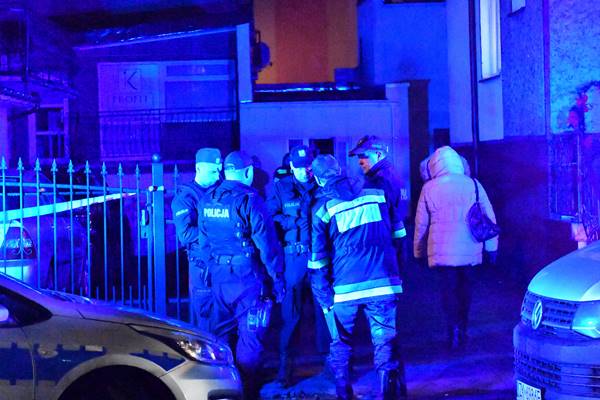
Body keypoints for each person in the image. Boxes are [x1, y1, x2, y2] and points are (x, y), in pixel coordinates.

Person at [308, 154, 406, 400]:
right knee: (384, 340)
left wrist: (325, 299)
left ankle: (344, 393)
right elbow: (399, 234)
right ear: (340, 169)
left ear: (319, 180)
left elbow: (318, 261)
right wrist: (396, 272)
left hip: (345, 288)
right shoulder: (377, 192)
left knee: (340, 343)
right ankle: (388, 394)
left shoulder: (322, 209)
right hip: (383, 281)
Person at [197, 150, 285, 399]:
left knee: (221, 337)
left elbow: (204, 245)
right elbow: (267, 245)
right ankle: (246, 390)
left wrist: (210, 272)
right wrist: (277, 279)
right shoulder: (249, 199)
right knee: (251, 338)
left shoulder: (208, 199)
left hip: (219, 278)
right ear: (247, 172)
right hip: (247, 279)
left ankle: (222, 389)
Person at [413, 146, 499, 349]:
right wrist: (492, 249)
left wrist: (418, 252)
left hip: (442, 253)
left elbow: (421, 224)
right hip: (470, 248)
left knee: (449, 292)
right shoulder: (473, 184)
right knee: (465, 291)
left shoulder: (429, 188)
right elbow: (489, 217)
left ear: (434, 165)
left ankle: (452, 331)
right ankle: (464, 328)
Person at [267, 145, 330, 387]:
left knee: (324, 313)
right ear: (291, 166)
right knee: (290, 317)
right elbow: (270, 219)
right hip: (293, 259)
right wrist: (293, 221)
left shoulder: (322, 186)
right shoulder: (281, 188)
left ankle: (331, 365)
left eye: (307, 166)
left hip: (319, 258)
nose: (305, 171)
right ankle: (286, 369)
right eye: (299, 166)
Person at [171, 148, 222, 331]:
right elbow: (185, 235)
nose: (218, 175)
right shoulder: (186, 197)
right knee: (207, 322)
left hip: (222, 264)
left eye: (219, 170)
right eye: (213, 171)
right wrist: (218, 230)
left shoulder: (220, 190)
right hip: (202, 267)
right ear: (199, 168)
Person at [348, 135, 408, 256]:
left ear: (378, 155)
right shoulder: (389, 174)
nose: (360, 161)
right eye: (359, 157)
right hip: (394, 240)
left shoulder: (380, 180)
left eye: (364, 156)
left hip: (385, 244)